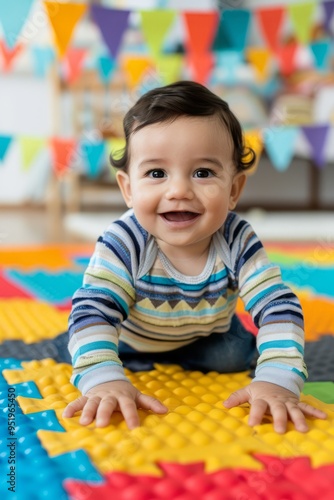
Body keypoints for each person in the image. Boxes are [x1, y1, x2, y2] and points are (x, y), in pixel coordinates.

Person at [63, 81, 326, 433]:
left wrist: (278, 381)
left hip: (207, 340)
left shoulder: (237, 238)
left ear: (233, 190)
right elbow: (93, 308)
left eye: (203, 173)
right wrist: (103, 380)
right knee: (88, 343)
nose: (179, 191)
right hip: (128, 338)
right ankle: (106, 366)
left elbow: (277, 305)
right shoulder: (124, 241)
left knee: (235, 357)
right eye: (157, 173)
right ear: (128, 188)